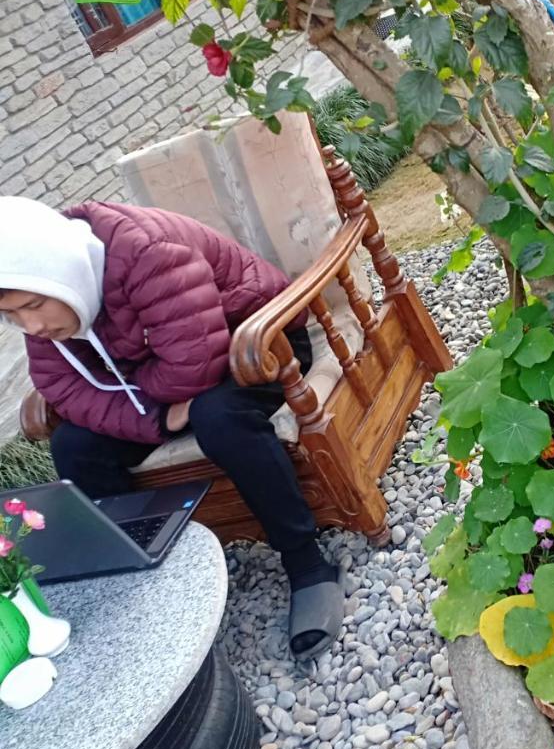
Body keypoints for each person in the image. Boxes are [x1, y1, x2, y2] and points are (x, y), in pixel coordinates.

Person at [0, 196, 343, 661]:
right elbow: (62, 387)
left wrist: (133, 394)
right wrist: (155, 417)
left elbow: (194, 363)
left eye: (34, 306)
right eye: (13, 316)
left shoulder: (142, 252)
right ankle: (149, 575)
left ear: (58, 272)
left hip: (257, 339)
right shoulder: (44, 291)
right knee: (73, 445)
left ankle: (307, 563)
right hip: (161, 378)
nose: (32, 326)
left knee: (217, 416)